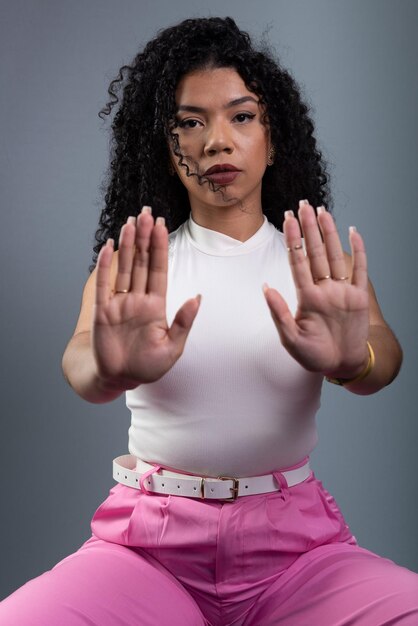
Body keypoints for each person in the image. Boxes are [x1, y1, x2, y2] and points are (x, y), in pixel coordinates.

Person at [1, 15, 417, 626]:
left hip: (298, 554)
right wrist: (107, 367)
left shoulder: (324, 270)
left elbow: (382, 354)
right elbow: (81, 360)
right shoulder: (135, 267)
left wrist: (356, 360)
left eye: (241, 117)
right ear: (168, 152)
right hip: (147, 551)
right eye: (189, 123)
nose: (217, 141)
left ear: (273, 139)